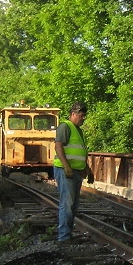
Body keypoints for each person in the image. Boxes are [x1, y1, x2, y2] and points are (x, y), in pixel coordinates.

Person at [54, 101, 94, 241]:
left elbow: (80, 152)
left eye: (84, 116)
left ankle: (67, 233)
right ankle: (64, 236)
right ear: (73, 114)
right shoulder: (65, 127)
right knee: (67, 203)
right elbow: (58, 147)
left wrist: (88, 170)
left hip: (76, 171)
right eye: (81, 116)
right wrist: (66, 166)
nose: (83, 118)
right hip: (66, 171)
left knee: (73, 204)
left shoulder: (78, 130)